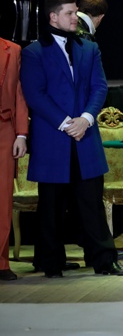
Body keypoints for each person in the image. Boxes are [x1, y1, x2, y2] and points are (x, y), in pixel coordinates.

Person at [20, 0, 123, 277]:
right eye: (69, 12)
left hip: (85, 137)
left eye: (75, 11)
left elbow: (99, 87)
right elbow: (35, 95)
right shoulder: (33, 52)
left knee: (91, 201)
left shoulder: (89, 48)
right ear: (53, 17)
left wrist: (86, 119)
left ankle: (104, 259)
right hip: (54, 138)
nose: (74, 17)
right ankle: (50, 262)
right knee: (52, 205)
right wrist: (67, 123)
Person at [0, 37, 28, 281]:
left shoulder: (13, 49)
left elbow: (19, 92)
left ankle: (1, 263)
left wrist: (21, 134)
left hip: (4, 130)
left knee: (3, 197)